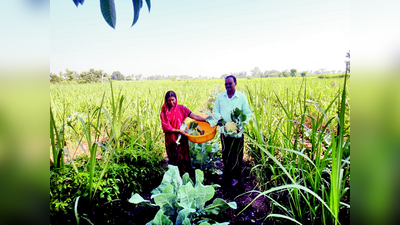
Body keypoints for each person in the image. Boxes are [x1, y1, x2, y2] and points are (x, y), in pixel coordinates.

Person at [213, 75, 252, 187]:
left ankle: (236, 177)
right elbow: (216, 110)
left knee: (237, 154)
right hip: (224, 131)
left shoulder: (241, 97)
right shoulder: (221, 97)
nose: (228, 86)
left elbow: (247, 113)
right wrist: (220, 119)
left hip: (237, 132)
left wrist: (241, 124)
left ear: (235, 83)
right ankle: (227, 176)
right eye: (226, 84)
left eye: (230, 83)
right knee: (226, 153)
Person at [160, 90, 206, 176]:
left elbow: (194, 116)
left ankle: (184, 177)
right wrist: (178, 130)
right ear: (166, 100)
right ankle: (174, 178)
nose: (171, 102)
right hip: (171, 139)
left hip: (182, 137)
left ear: (176, 99)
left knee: (184, 158)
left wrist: (205, 120)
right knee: (173, 159)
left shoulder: (181, 109)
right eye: (169, 100)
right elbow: (166, 127)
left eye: (173, 100)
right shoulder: (164, 112)